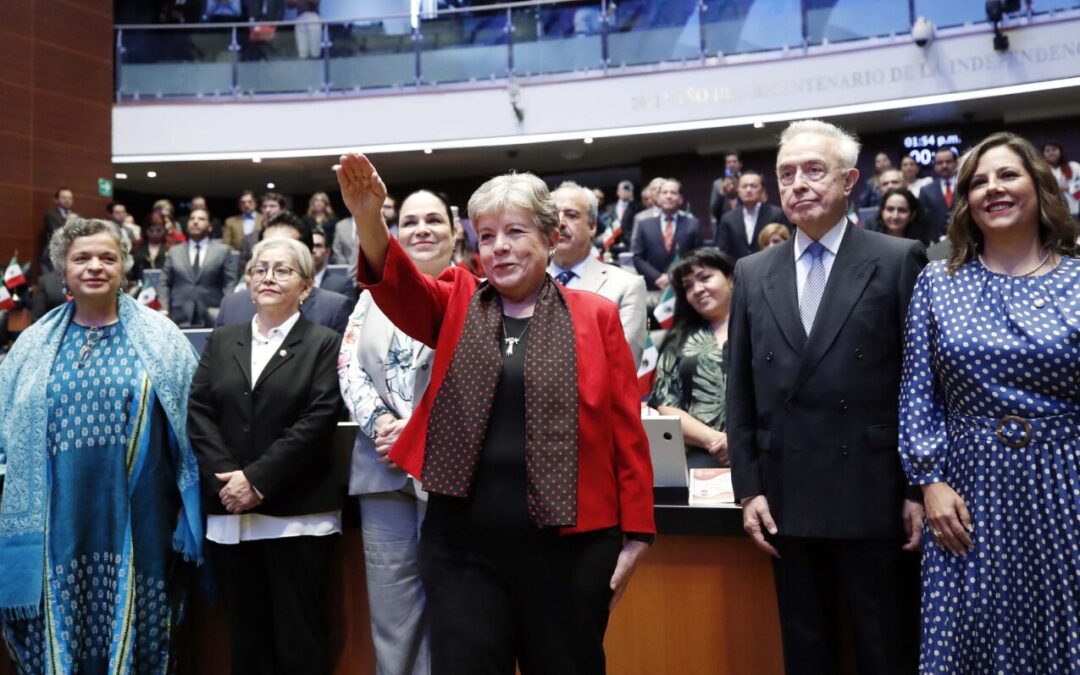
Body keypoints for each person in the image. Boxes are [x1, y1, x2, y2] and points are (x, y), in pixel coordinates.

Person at [336, 153, 655, 675]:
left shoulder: (594, 315)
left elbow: (626, 428)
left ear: (550, 238)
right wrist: (370, 218)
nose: (499, 247)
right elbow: (399, 289)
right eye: (486, 236)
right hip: (463, 550)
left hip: (570, 551)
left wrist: (638, 534)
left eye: (514, 232)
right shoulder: (459, 299)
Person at [727, 119, 925, 675]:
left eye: (814, 171)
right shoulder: (752, 270)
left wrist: (917, 485)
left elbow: (920, 385)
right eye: (786, 174)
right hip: (787, 493)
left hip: (874, 489)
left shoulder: (897, 257)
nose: (798, 184)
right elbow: (739, 390)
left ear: (850, 182)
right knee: (806, 650)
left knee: (884, 648)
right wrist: (749, 488)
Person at [899, 131, 1080, 673]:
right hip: (966, 488)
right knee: (973, 629)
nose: (992, 189)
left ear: (1040, 186)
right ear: (965, 202)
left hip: (1066, 477)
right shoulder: (938, 281)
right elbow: (917, 392)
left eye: (1007, 175)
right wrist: (929, 481)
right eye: (978, 182)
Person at [0, 218, 204, 673]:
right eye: (82, 258)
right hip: (56, 518)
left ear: (124, 267)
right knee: (62, 622)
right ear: (62, 270)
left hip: (140, 515)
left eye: (107, 257)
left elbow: (194, 427)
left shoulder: (161, 337)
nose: (95, 266)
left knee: (140, 624)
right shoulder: (31, 345)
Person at [188, 236, 345, 675]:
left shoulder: (324, 343)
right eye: (260, 269)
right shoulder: (223, 340)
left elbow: (318, 418)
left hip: (298, 512)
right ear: (248, 281)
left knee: (300, 642)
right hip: (232, 511)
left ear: (307, 287)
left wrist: (255, 480)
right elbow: (199, 411)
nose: (269, 277)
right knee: (247, 642)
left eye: (283, 270)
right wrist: (229, 479)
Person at [337, 189, 461, 675]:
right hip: (381, 470)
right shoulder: (369, 298)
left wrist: (414, 434)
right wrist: (383, 425)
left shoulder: (473, 291)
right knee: (393, 614)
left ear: (455, 235)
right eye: (409, 222)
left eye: (435, 220)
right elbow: (349, 367)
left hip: (448, 474)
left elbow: (472, 376)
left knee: (456, 607)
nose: (422, 229)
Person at [650, 249, 734, 469]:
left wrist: (742, 443)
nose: (697, 289)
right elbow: (665, 403)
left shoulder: (763, 327)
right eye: (688, 285)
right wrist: (715, 440)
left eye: (705, 278)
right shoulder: (678, 338)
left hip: (765, 451)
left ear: (731, 279)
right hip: (700, 452)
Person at [549, 181, 648, 366]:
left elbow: (622, 366)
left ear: (592, 226)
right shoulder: (527, 282)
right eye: (553, 216)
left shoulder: (627, 286)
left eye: (571, 215)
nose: (560, 223)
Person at [216, 212, 353, 333]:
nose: (275, 254)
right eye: (268, 246)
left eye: (287, 247)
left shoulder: (333, 309)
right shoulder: (232, 306)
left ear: (308, 256)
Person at [160, 207, 239, 327]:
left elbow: (229, 284)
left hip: (213, 313)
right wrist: (164, 308)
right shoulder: (174, 251)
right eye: (192, 218)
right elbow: (164, 282)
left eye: (201, 219)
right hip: (179, 314)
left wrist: (225, 309)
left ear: (210, 226)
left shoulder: (223, 250)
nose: (195, 221)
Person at [632, 178, 703, 292]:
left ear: (680, 199)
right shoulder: (644, 225)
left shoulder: (693, 224)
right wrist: (657, 277)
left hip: (684, 285)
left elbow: (698, 255)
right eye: (664, 192)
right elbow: (638, 257)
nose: (669, 196)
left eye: (673, 192)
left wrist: (672, 277)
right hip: (653, 287)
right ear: (658, 198)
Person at [716, 170, 788, 260]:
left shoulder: (777, 214)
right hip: (737, 270)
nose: (749, 190)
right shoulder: (727, 219)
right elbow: (723, 251)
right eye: (744, 186)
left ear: (762, 190)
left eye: (753, 186)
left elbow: (786, 245)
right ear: (738, 190)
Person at [919, 147, 959, 240]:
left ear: (956, 163)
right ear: (935, 165)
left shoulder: (966, 185)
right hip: (936, 243)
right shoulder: (926, 190)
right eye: (940, 163)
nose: (944, 165)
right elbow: (923, 222)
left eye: (948, 161)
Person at [1043, 142, 1080, 220]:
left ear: (1060, 151)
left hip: (1072, 210)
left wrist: (1069, 187)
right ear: (1043, 154)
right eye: (1047, 150)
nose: (1051, 153)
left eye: (1054, 149)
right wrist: (1057, 188)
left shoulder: (1074, 166)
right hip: (1051, 211)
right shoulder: (1042, 170)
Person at [131, 211, 169, 283]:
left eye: (159, 230)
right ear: (145, 230)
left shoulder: (171, 246)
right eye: (151, 230)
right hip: (141, 286)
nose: (155, 234)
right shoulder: (137, 247)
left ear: (164, 229)